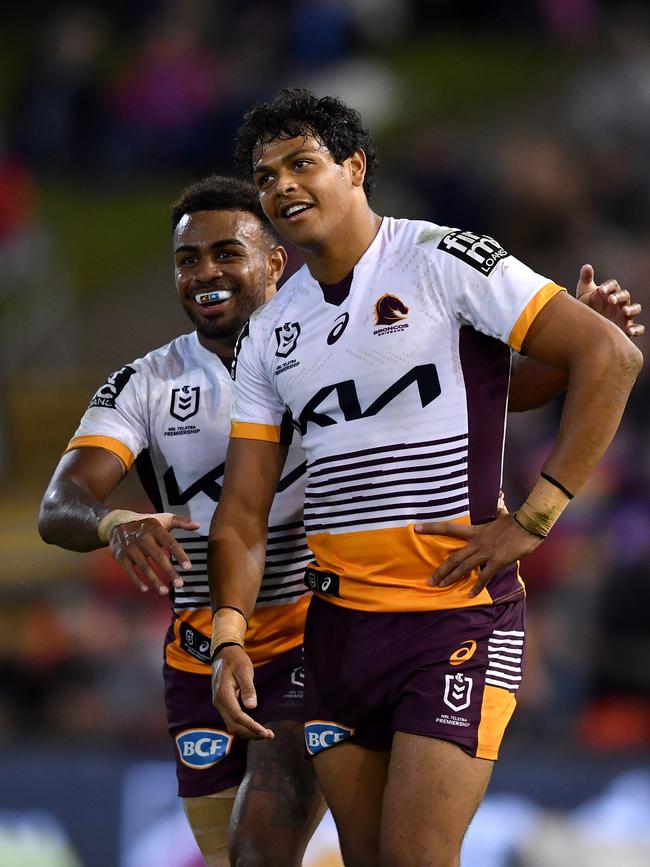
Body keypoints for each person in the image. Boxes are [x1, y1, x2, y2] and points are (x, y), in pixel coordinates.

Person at [207, 89, 644, 867]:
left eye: (301, 163)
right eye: (266, 175)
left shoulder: (443, 258)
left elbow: (610, 355)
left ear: (354, 167)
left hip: (453, 618)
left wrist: (536, 516)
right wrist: (230, 635)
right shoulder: (272, 329)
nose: (280, 186)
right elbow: (242, 511)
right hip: (339, 632)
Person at [38, 175, 326, 867]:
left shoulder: (327, 353)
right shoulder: (146, 382)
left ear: (274, 263)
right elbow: (60, 504)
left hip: (315, 636)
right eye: (188, 259)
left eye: (227, 252)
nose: (205, 273)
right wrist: (114, 524)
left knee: (262, 850)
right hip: (198, 655)